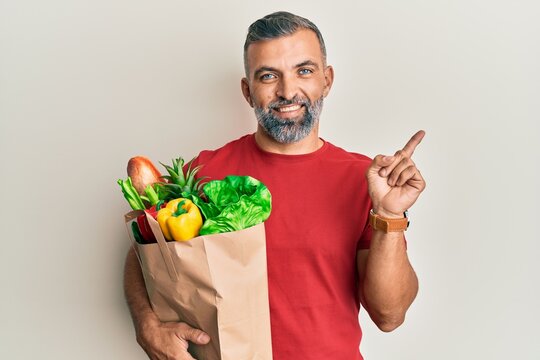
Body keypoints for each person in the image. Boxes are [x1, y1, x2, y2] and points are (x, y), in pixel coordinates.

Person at [124, 11, 426, 360]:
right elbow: (141, 254)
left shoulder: (366, 180)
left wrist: (389, 213)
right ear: (247, 91)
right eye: (268, 76)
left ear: (326, 80)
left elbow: (389, 316)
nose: (287, 91)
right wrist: (147, 326)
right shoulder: (202, 175)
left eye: (304, 71)